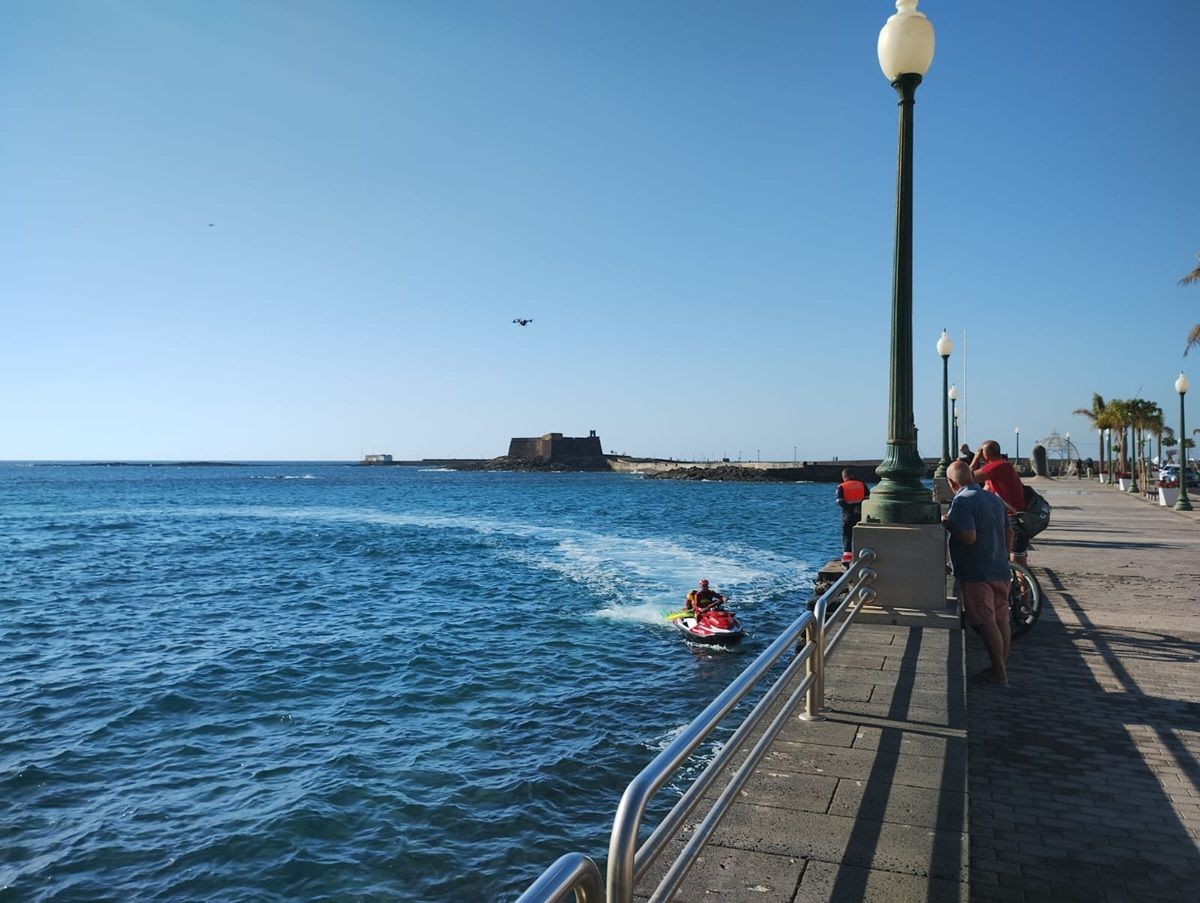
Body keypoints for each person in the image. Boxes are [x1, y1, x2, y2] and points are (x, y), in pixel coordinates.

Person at [943, 461, 1013, 686]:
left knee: (986, 621)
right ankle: (999, 665)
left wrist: (948, 523)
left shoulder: (962, 501)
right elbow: (1009, 531)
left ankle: (999, 673)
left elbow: (969, 536)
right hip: (1000, 568)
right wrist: (1004, 555)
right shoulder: (993, 498)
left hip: (977, 571)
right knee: (1002, 618)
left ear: (951, 482)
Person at [970, 440, 1028, 565]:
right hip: (1013, 516)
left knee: (1014, 560)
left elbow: (966, 478)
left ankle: (1022, 583)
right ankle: (1019, 583)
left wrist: (975, 459)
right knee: (1015, 558)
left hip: (1011, 518)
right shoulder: (1003, 465)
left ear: (985, 454)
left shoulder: (996, 466)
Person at [835, 469, 870, 563]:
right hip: (861, 514)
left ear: (844, 477)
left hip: (848, 515)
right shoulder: (862, 485)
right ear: (852, 475)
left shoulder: (841, 486)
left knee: (847, 536)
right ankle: (862, 555)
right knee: (861, 535)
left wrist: (850, 508)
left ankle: (847, 559)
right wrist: (858, 507)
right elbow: (867, 499)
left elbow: (840, 501)